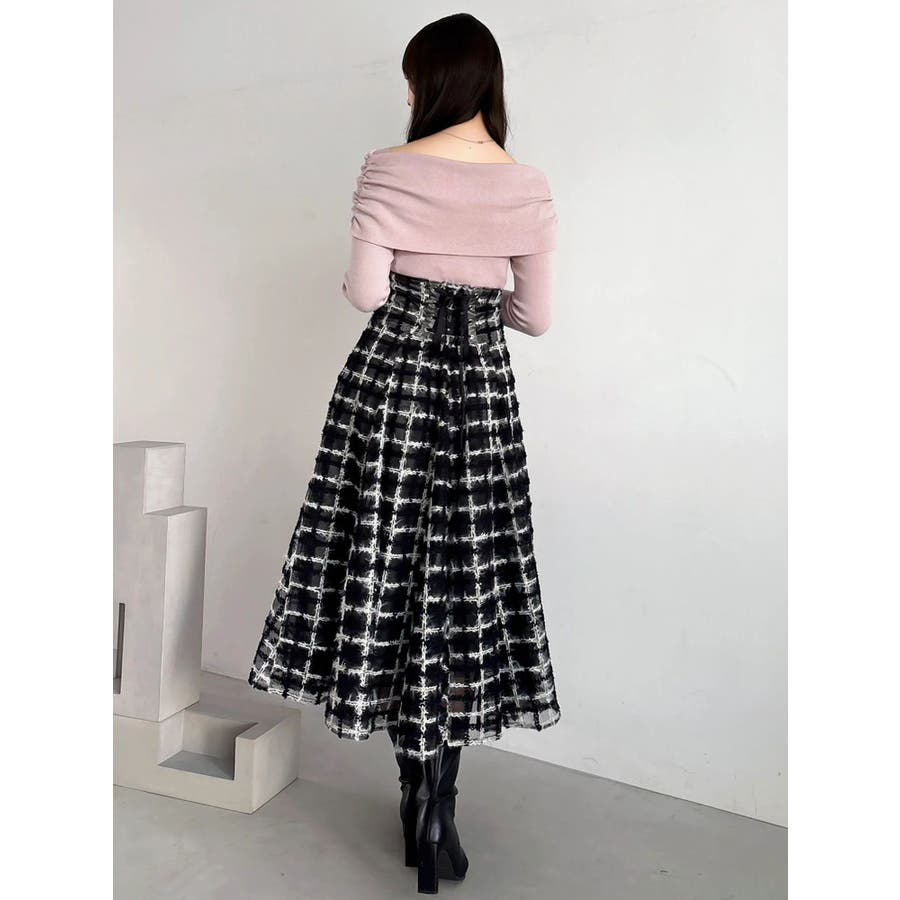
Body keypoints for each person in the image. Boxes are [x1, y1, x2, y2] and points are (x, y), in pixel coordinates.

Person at [248, 12, 561, 894]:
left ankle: (410, 790)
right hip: (480, 400)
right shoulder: (529, 185)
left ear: (428, 85)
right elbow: (536, 317)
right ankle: (440, 804)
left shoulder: (388, 168)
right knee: (462, 588)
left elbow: (365, 292)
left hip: (391, 387)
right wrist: (481, 303)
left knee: (384, 574)